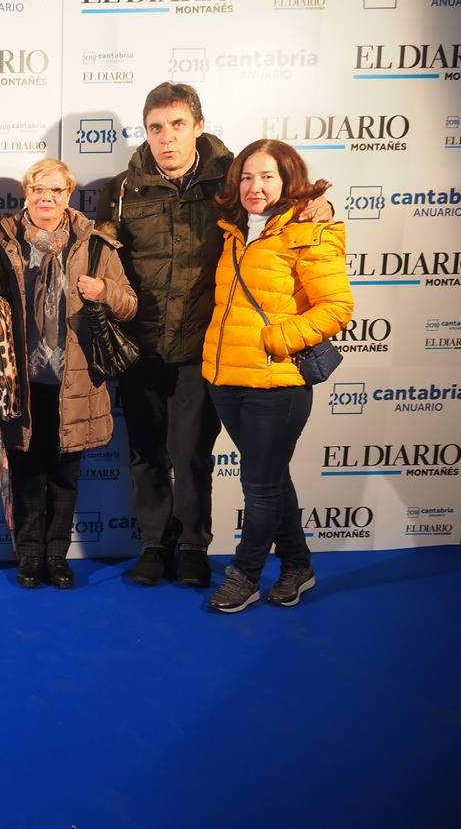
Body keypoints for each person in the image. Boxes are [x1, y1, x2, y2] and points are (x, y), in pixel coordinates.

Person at [202, 140, 352, 613]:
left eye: (267, 176)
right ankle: (297, 565)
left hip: (278, 383)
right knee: (271, 478)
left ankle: (244, 575)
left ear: (288, 181)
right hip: (226, 379)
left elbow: (337, 307)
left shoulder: (311, 230)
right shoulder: (233, 230)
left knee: (260, 485)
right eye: (247, 176)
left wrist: (280, 339)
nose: (255, 186)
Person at [95, 83, 228, 588]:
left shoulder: (231, 183)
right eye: (156, 128)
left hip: (201, 346)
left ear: (198, 125)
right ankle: (154, 544)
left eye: (176, 125)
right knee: (146, 451)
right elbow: (98, 254)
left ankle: (193, 547)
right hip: (140, 345)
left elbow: (277, 212)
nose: (166, 139)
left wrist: (316, 211)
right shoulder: (121, 190)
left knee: (191, 453)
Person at [0, 159, 137, 591]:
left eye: (55, 191)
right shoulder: (3, 241)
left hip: (76, 381)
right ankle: (29, 556)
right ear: (26, 192)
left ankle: (56, 557)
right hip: (21, 380)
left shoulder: (95, 246)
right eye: (38, 189)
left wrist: (104, 291)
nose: (46, 199)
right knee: (27, 473)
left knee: (65, 475)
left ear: (68, 195)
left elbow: (130, 305)